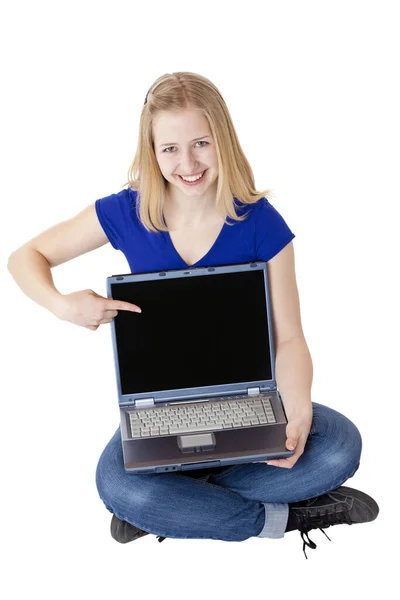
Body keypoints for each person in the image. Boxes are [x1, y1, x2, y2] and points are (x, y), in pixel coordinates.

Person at [7, 71, 379, 558]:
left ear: (222, 138)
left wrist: (300, 405)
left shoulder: (261, 222)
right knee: (118, 487)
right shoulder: (126, 211)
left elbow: (289, 338)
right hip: (160, 407)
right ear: (152, 150)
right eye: (170, 149)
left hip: (250, 395)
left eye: (201, 143)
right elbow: (24, 257)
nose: (188, 164)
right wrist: (62, 305)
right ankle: (282, 517)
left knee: (339, 446)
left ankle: (174, 505)